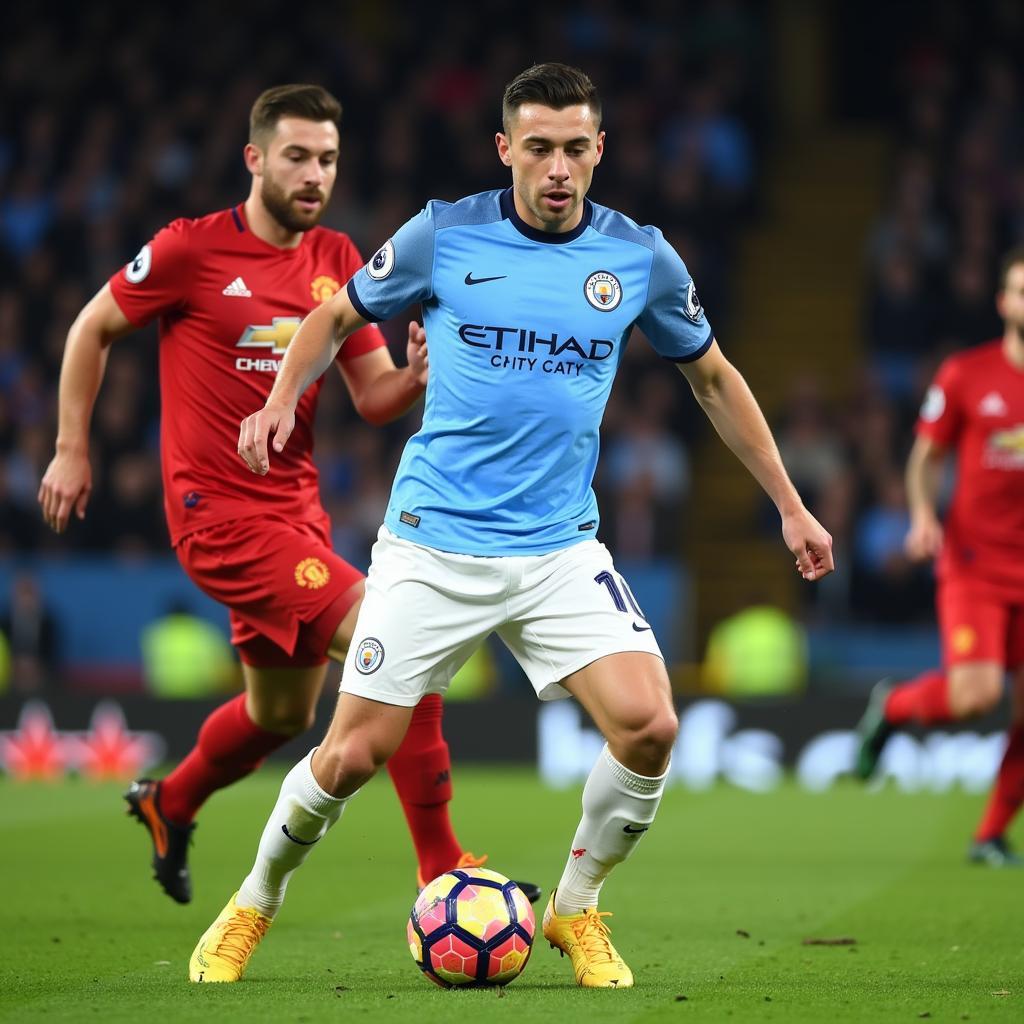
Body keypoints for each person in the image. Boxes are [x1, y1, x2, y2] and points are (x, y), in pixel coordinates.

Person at [191, 63, 833, 989]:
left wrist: (790, 504)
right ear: (506, 150)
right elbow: (334, 315)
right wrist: (281, 400)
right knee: (349, 754)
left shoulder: (638, 258)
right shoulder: (445, 234)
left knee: (650, 726)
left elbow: (714, 378)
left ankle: (575, 908)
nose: (559, 167)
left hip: (559, 550)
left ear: (600, 149)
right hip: (430, 543)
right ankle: (254, 900)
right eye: (539, 148)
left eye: (577, 148)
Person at [37, 84, 538, 907]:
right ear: (256, 159)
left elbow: (373, 397)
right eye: (298, 157)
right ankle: (442, 864)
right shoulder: (189, 251)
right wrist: (69, 448)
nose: (315, 175)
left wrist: (411, 377)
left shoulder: (337, 258)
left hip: (296, 518)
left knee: (277, 714)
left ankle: (170, 802)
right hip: (219, 518)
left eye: (329, 160)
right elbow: (91, 326)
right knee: (396, 640)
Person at [855, 246, 1024, 868]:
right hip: (977, 560)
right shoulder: (966, 374)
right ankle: (892, 707)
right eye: (1020, 290)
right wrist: (924, 516)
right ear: (1004, 302)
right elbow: (926, 458)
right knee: (976, 696)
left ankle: (990, 834)